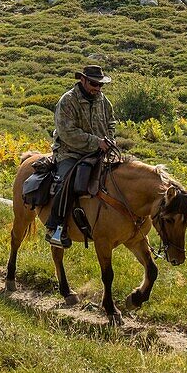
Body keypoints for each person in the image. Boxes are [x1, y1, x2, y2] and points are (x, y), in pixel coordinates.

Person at [44, 64, 117, 248]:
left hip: (99, 152)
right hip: (70, 152)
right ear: (82, 80)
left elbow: (111, 122)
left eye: (101, 85)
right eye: (94, 83)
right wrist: (96, 142)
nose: (97, 88)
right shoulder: (67, 101)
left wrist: (110, 140)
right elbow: (67, 132)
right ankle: (56, 227)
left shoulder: (103, 100)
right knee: (66, 181)